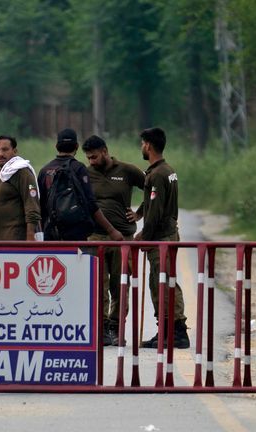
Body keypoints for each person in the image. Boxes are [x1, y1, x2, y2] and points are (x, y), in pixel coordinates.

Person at [82, 134, 145, 346]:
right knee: (98, 284)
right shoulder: (87, 174)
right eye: (88, 158)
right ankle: (102, 326)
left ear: (105, 151)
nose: (91, 161)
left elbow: (153, 187)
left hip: (122, 237)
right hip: (95, 236)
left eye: (94, 157)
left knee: (120, 285)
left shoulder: (127, 170)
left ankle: (115, 326)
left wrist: (140, 212)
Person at [129, 127, 189, 349]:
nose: (141, 148)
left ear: (148, 145)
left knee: (163, 283)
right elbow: (153, 202)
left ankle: (176, 332)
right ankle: (165, 331)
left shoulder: (157, 174)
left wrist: (143, 237)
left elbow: (155, 213)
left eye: (142, 143)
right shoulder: (166, 170)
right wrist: (139, 213)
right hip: (169, 233)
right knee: (163, 282)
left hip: (161, 238)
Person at [37, 128, 124, 242]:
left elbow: (40, 207)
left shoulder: (45, 171)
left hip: (51, 233)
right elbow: (90, 204)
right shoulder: (78, 168)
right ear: (77, 146)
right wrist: (111, 230)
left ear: (56, 146)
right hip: (75, 234)